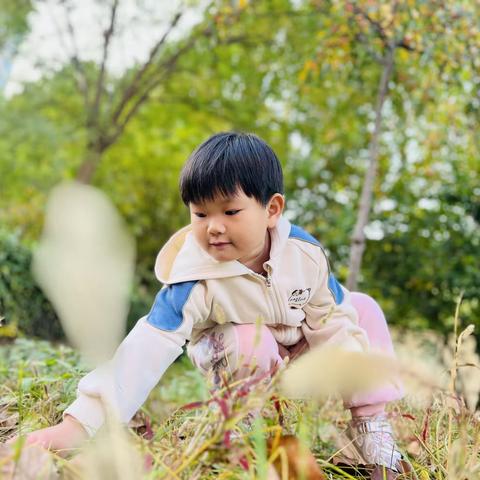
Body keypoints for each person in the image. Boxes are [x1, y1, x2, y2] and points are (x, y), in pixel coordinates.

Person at [20, 132, 405, 472]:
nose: (213, 226)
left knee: (361, 306)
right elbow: (146, 347)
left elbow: (334, 320)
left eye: (230, 211)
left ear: (272, 210)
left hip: (297, 357)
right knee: (247, 339)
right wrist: (80, 423)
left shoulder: (304, 255)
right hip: (236, 360)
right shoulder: (194, 277)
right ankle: (248, 433)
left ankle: (371, 430)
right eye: (200, 213)